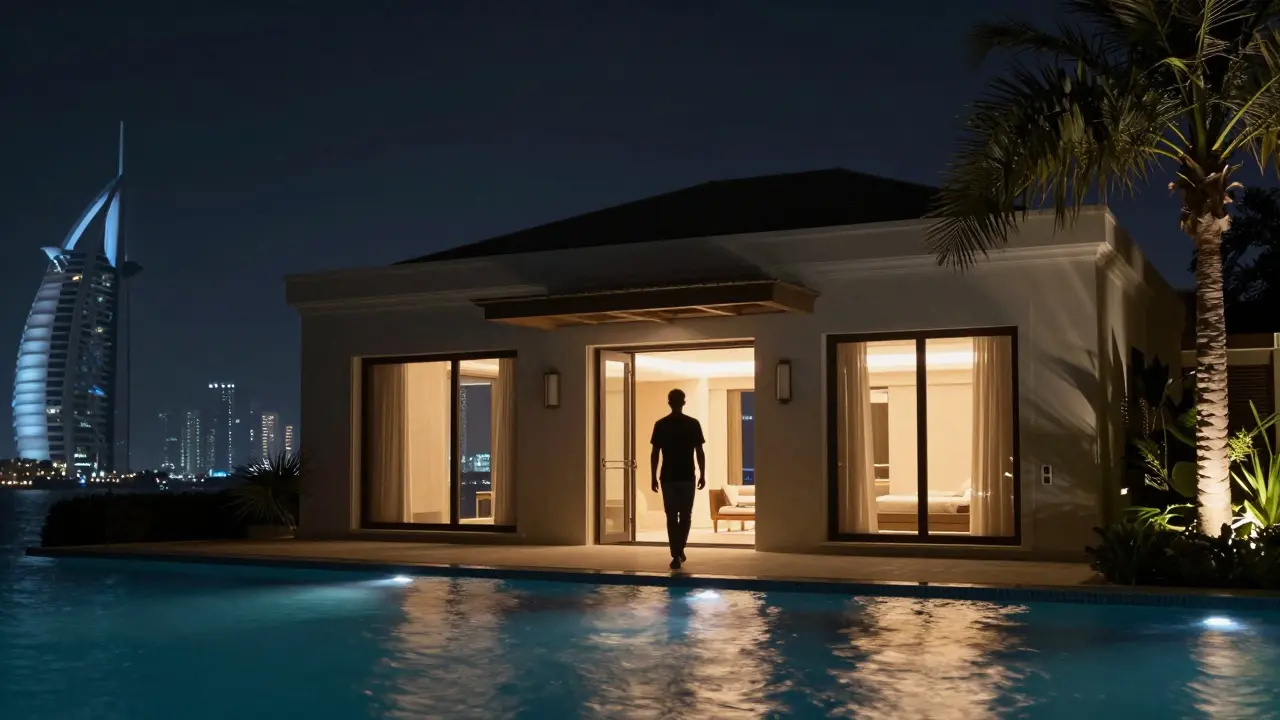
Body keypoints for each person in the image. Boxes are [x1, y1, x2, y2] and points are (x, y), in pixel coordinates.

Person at [650, 388, 705, 570]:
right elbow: (699, 452)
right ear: (684, 402)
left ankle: (676, 552)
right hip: (686, 476)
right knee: (685, 516)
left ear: (669, 402)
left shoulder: (661, 425)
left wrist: (653, 476)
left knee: (672, 516)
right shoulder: (693, 424)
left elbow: (655, 453)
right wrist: (702, 474)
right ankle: (678, 551)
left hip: (669, 477)